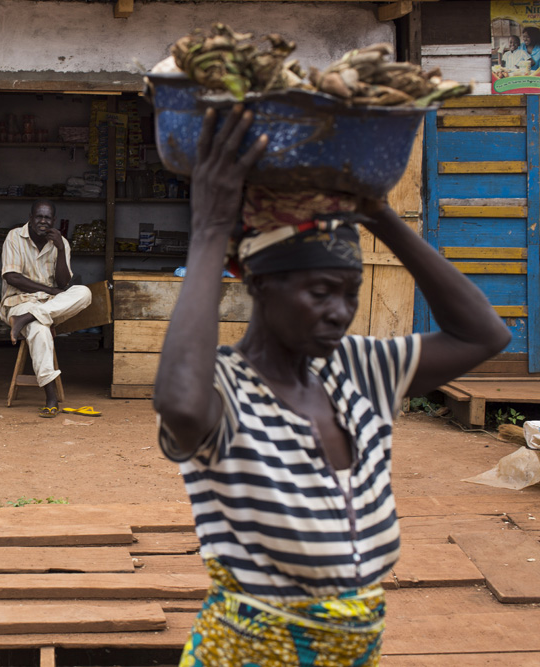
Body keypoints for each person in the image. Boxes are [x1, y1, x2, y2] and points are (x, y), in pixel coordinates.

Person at [154, 107, 510, 666]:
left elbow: (484, 334)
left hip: (354, 650)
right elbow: (176, 400)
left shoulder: (358, 369)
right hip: (247, 653)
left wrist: (381, 215)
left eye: (350, 293)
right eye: (321, 292)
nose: (341, 313)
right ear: (262, 286)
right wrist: (209, 232)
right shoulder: (223, 389)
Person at [0, 200, 92, 417]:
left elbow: (62, 284)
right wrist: (49, 291)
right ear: (30, 218)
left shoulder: (61, 243)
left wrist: (60, 249)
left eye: (47, 218)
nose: (43, 221)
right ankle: (50, 397)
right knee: (40, 329)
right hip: (19, 304)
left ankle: (28, 318)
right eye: (39, 217)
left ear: (54, 220)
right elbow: (11, 277)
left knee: (85, 293)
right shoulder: (14, 237)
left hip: (46, 307)